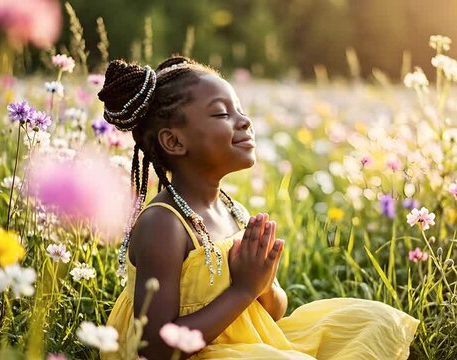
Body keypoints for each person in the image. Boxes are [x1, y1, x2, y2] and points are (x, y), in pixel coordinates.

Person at [98, 56, 419, 359]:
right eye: (222, 114)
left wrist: (262, 284)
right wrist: (242, 289)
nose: (244, 121)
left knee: (372, 320)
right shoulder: (163, 224)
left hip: (247, 343)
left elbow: (273, 311)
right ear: (174, 142)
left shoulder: (233, 211)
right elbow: (154, 348)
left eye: (239, 109)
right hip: (190, 355)